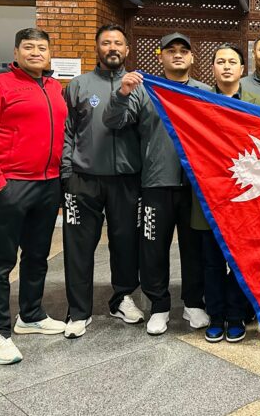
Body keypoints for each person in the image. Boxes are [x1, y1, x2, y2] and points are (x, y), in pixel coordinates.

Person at [0, 28, 67, 364]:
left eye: (42, 47)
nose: (36, 52)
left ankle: (31, 315)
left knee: (37, 256)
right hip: (12, 185)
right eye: (29, 47)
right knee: (0, 260)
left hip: (48, 184)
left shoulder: (53, 87)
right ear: (16, 52)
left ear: (49, 54)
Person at [102, 32, 211, 335]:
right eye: (171, 50)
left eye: (183, 51)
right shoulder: (143, 90)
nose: (177, 55)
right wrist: (122, 94)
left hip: (195, 186)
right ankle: (159, 306)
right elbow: (113, 121)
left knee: (194, 248)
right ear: (160, 56)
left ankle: (193, 303)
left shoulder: (204, 92)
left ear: (192, 57)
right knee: (153, 248)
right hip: (155, 183)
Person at [61, 23, 144, 338]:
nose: (112, 48)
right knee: (78, 246)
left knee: (126, 244)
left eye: (118, 43)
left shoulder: (139, 86)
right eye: (106, 43)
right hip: (84, 178)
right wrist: (66, 174)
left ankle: (122, 298)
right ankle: (78, 311)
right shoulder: (78, 85)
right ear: (97, 48)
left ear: (127, 50)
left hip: (126, 180)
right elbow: (67, 132)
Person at [193, 44, 260, 343]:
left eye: (232, 62)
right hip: (208, 194)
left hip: (244, 196)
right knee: (211, 262)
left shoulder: (256, 102)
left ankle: (235, 315)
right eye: (220, 61)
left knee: (240, 260)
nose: (226, 67)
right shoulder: (196, 102)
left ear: (242, 69)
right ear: (212, 68)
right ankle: (215, 315)